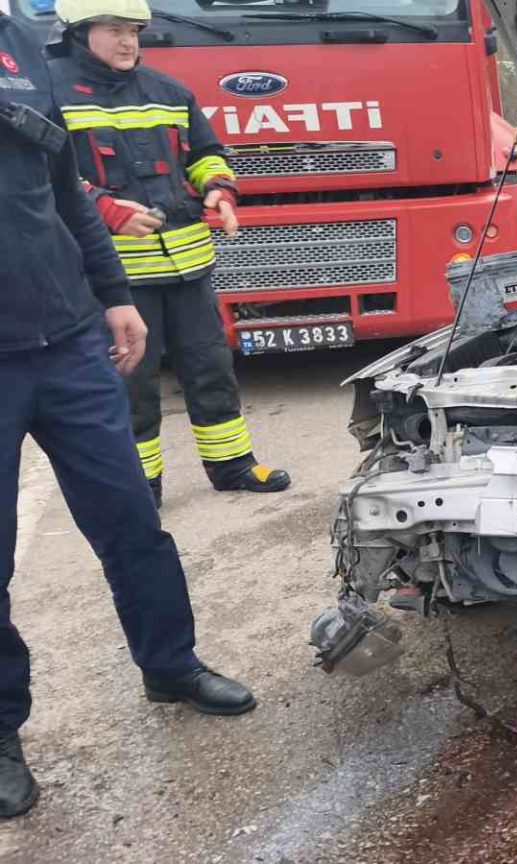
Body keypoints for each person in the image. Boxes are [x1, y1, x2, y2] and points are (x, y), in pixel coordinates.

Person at [0, 7, 256, 819]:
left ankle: (170, 665)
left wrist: (112, 294)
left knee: (132, 524)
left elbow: (61, 189)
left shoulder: (16, 44)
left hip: (69, 337)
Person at [46, 0, 291, 508]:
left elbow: (206, 154)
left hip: (189, 265)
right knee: (129, 383)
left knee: (210, 367)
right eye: (114, 30)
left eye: (134, 30)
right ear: (78, 33)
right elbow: (48, 176)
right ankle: (138, 485)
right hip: (115, 278)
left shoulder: (169, 91)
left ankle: (232, 464)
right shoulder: (51, 94)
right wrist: (106, 209)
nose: (128, 41)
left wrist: (219, 191)